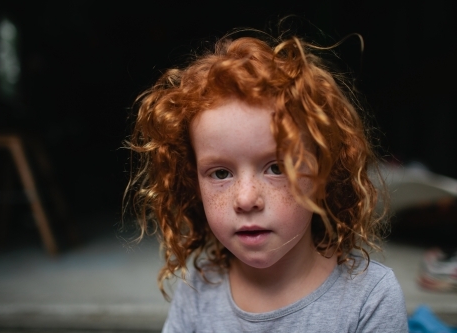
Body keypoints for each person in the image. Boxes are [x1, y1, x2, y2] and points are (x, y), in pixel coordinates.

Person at [126, 33, 408, 332]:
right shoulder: (198, 292)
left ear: (324, 175)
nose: (246, 199)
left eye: (277, 168)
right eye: (221, 173)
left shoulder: (370, 298)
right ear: (193, 184)